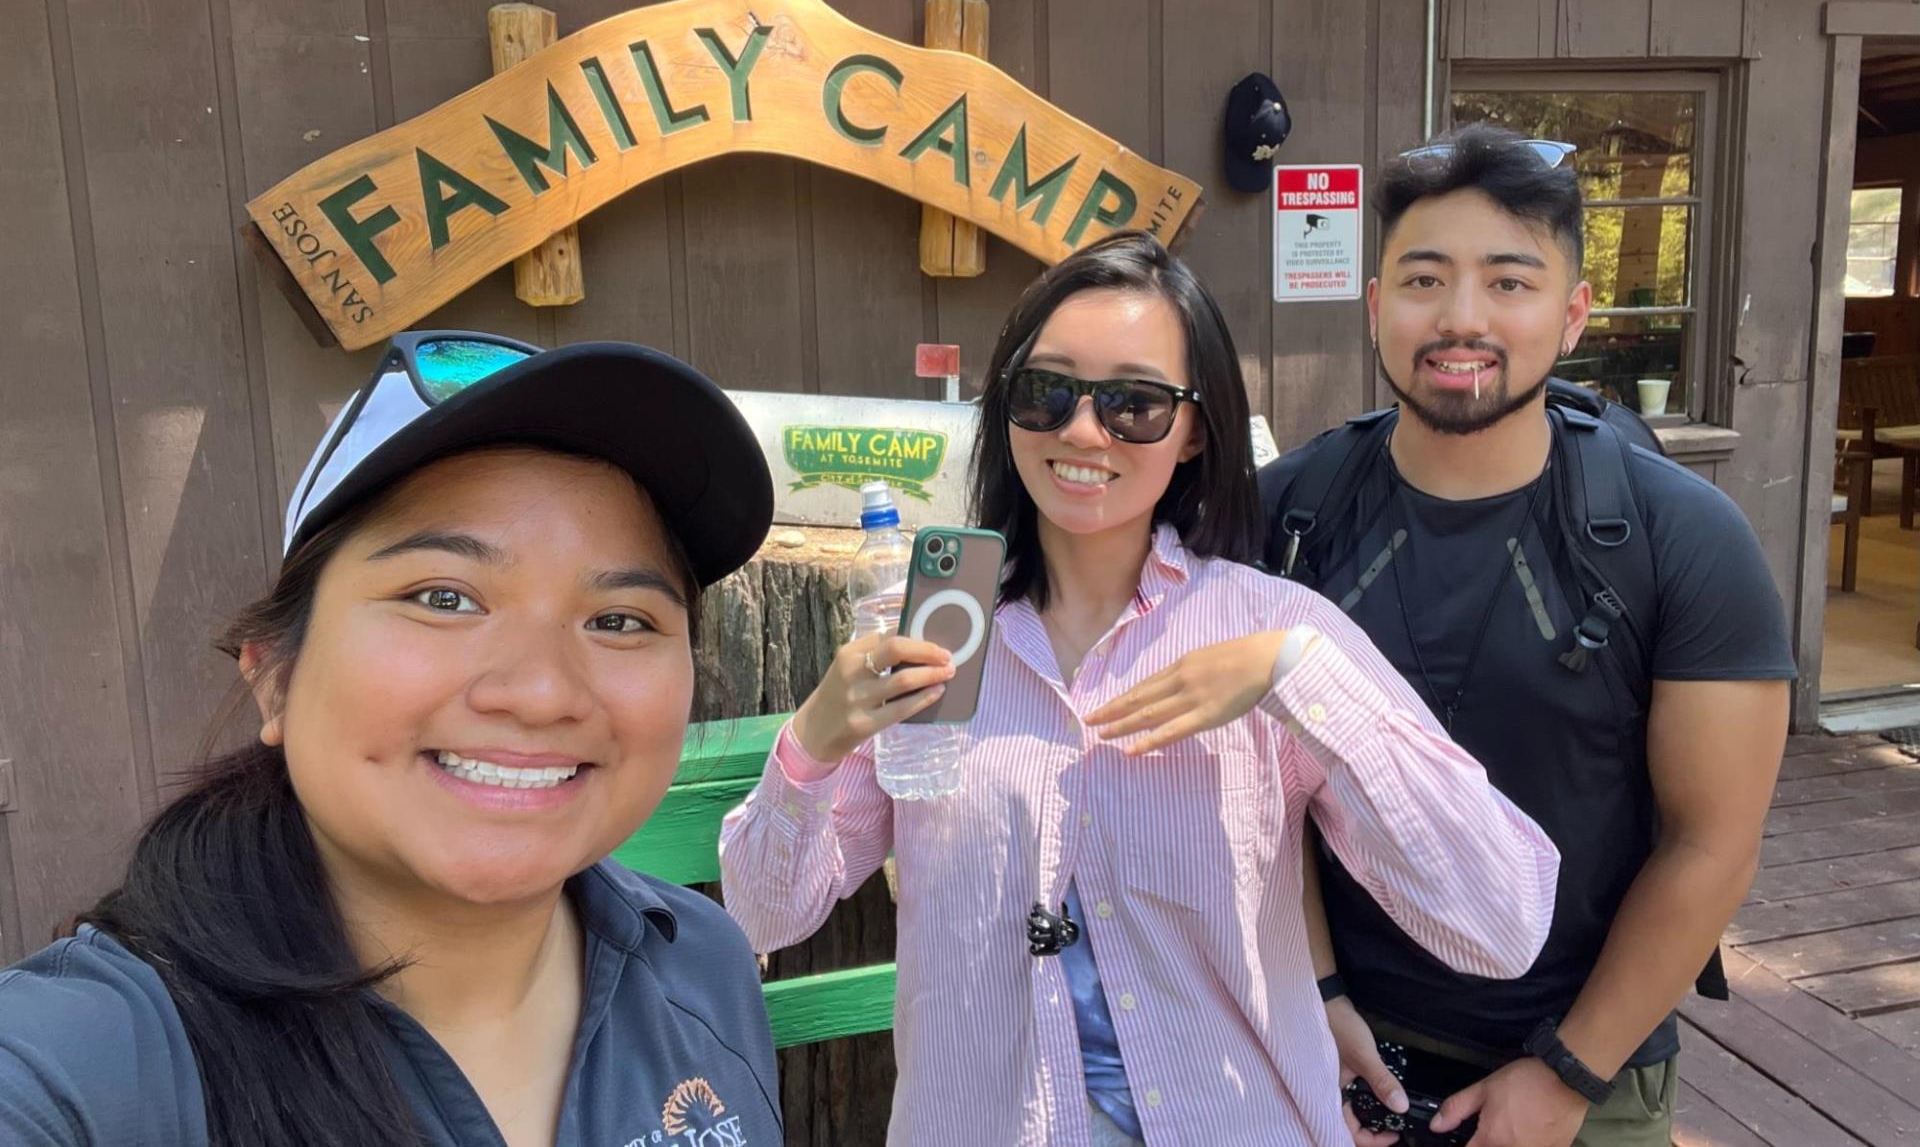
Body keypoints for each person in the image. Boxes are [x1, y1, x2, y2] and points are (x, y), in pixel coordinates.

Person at [718, 232, 1559, 1147]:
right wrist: (812, 743)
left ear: (1196, 426)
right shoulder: (938, 635)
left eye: (1135, 403)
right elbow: (766, 911)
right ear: (1005, 408)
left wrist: (1297, 678)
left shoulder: (1272, 630)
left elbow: (1502, 921)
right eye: (1047, 392)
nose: (1084, 431)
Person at [0, 331, 784, 1147]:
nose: (542, 690)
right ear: (275, 676)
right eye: (444, 596)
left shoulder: (702, 964)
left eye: (619, 619)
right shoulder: (91, 1066)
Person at [1210, 126, 1793, 1147]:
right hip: (1334, 1039)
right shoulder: (1286, 512)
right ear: (1377, 305)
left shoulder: (1682, 537)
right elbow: (1262, 794)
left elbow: (1714, 842)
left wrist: (1566, 1071)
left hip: (1586, 1061)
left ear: (1573, 314)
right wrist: (1321, 994)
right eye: (1425, 278)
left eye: (1509, 282)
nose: (1461, 318)